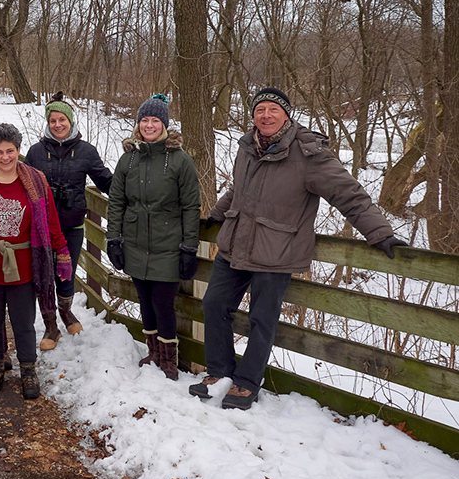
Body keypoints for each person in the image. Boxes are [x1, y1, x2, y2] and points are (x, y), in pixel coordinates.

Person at [189, 88, 407, 409]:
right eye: (259, 109)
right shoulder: (247, 146)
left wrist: (379, 232)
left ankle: (247, 382)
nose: (265, 115)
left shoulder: (309, 154)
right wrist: (217, 216)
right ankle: (220, 373)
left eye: (272, 110)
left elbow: (348, 194)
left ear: (287, 114)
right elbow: (238, 187)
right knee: (214, 305)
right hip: (235, 245)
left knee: (262, 321)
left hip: (278, 250)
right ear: (253, 115)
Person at [0, 124, 72, 400]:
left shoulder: (36, 181)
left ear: (18, 150)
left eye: (10, 151)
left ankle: (28, 368)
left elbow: (51, 222)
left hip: (24, 265)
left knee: (23, 321)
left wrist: (62, 253)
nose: (5, 157)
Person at [105, 94, 201, 380]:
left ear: (165, 124)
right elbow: (116, 202)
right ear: (138, 124)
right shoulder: (128, 159)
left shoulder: (180, 161)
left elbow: (191, 206)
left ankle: (169, 358)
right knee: (145, 301)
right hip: (135, 243)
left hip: (167, 244)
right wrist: (113, 239)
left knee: (163, 303)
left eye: (155, 120)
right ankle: (153, 352)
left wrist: (189, 247)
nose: (149, 125)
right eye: (144, 120)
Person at [25, 92, 113, 349]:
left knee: (66, 274)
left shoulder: (86, 151)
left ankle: (66, 312)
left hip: (72, 226)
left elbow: (105, 181)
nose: (57, 125)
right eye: (53, 120)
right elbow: (23, 185)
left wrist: (132, 184)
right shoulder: (36, 152)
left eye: (62, 119)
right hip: (41, 228)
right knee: (43, 275)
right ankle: (51, 325)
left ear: (70, 121)